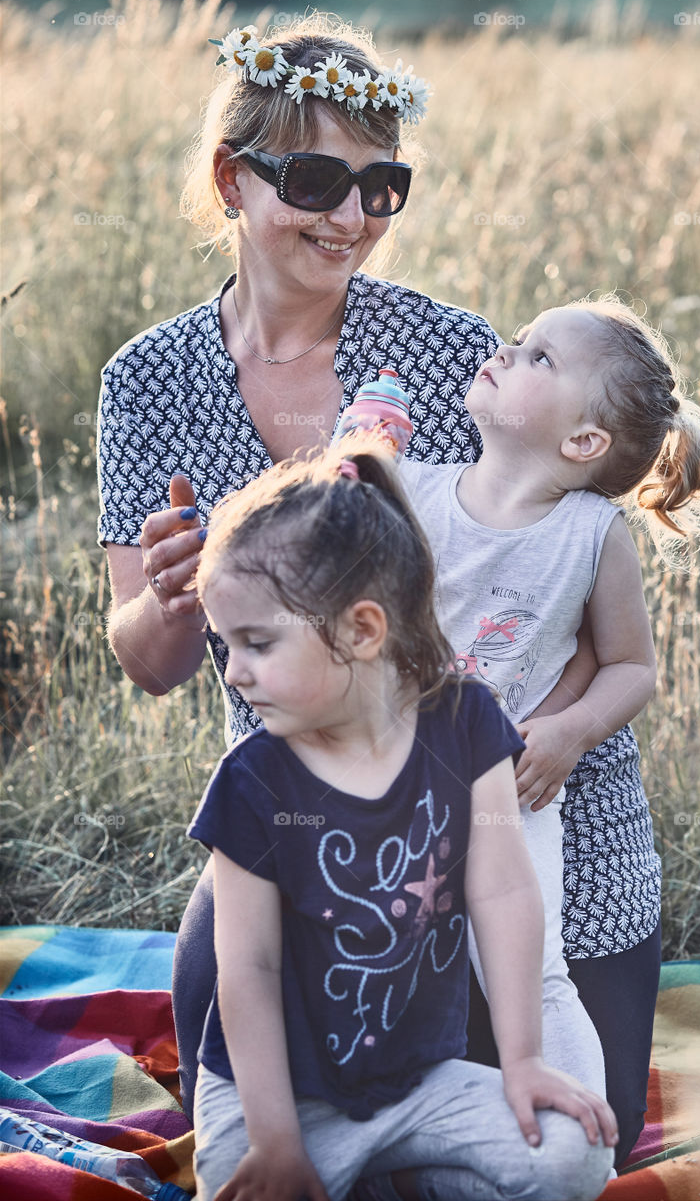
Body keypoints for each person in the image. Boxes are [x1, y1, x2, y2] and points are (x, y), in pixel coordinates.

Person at [96, 12, 608, 1128]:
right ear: (234, 179)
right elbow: (144, 657)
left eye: (382, 187)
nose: (352, 218)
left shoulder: (442, 348)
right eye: (319, 178)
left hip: (474, 777)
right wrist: (174, 597)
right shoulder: (147, 381)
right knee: (236, 1046)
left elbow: (564, 568)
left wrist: (560, 731)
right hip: (289, 791)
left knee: (539, 1107)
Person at [186, 442, 617, 1201]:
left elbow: (504, 895)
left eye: (256, 644)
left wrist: (521, 1062)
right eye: (226, 645)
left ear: (361, 630)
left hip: (419, 1082)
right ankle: (362, 1174)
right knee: (235, 1180)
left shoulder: (465, 724)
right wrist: (278, 1141)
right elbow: (245, 970)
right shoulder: (251, 783)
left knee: (570, 1155)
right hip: (286, 1098)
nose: (233, 672)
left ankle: (399, 1171)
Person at [399, 295, 700, 1167]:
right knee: (388, 948)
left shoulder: (590, 536)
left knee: (534, 964)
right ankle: (382, 1129)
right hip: (396, 787)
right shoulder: (412, 490)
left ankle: (575, 1142)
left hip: (513, 788)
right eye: (520, 341)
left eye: (539, 357)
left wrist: (569, 733)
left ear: (582, 443)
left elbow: (632, 667)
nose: (506, 351)